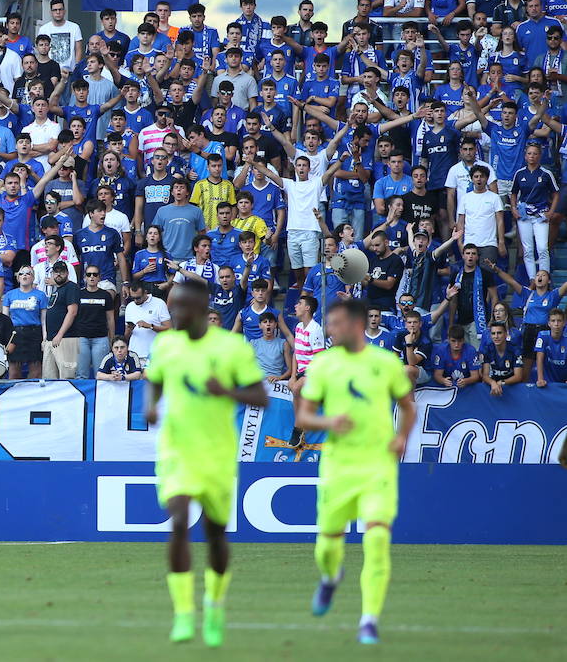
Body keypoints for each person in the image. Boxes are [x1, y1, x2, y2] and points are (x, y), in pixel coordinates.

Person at [143, 275, 268, 647]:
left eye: (179, 306)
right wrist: (151, 404)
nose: (172, 312)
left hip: (216, 452)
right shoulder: (166, 345)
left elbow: (261, 397)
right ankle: (183, 613)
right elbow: (156, 379)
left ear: (200, 309)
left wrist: (226, 390)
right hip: (176, 449)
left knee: (215, 533)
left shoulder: (231, 348)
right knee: (178, 521)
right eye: (171, 305)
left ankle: (214, 604)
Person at [295, 298, 416, 646]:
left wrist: (401, 437)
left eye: (336, 324)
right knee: (327, 548)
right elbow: (303, 417)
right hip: (338, 466)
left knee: (377, 540)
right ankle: (331, 577)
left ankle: (369, 620)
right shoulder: (323, 365)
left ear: (357, 324)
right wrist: (328, 421)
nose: (330, 330)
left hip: (378, 464)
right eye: (329, 324)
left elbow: (408, 406)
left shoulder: (385, 363)